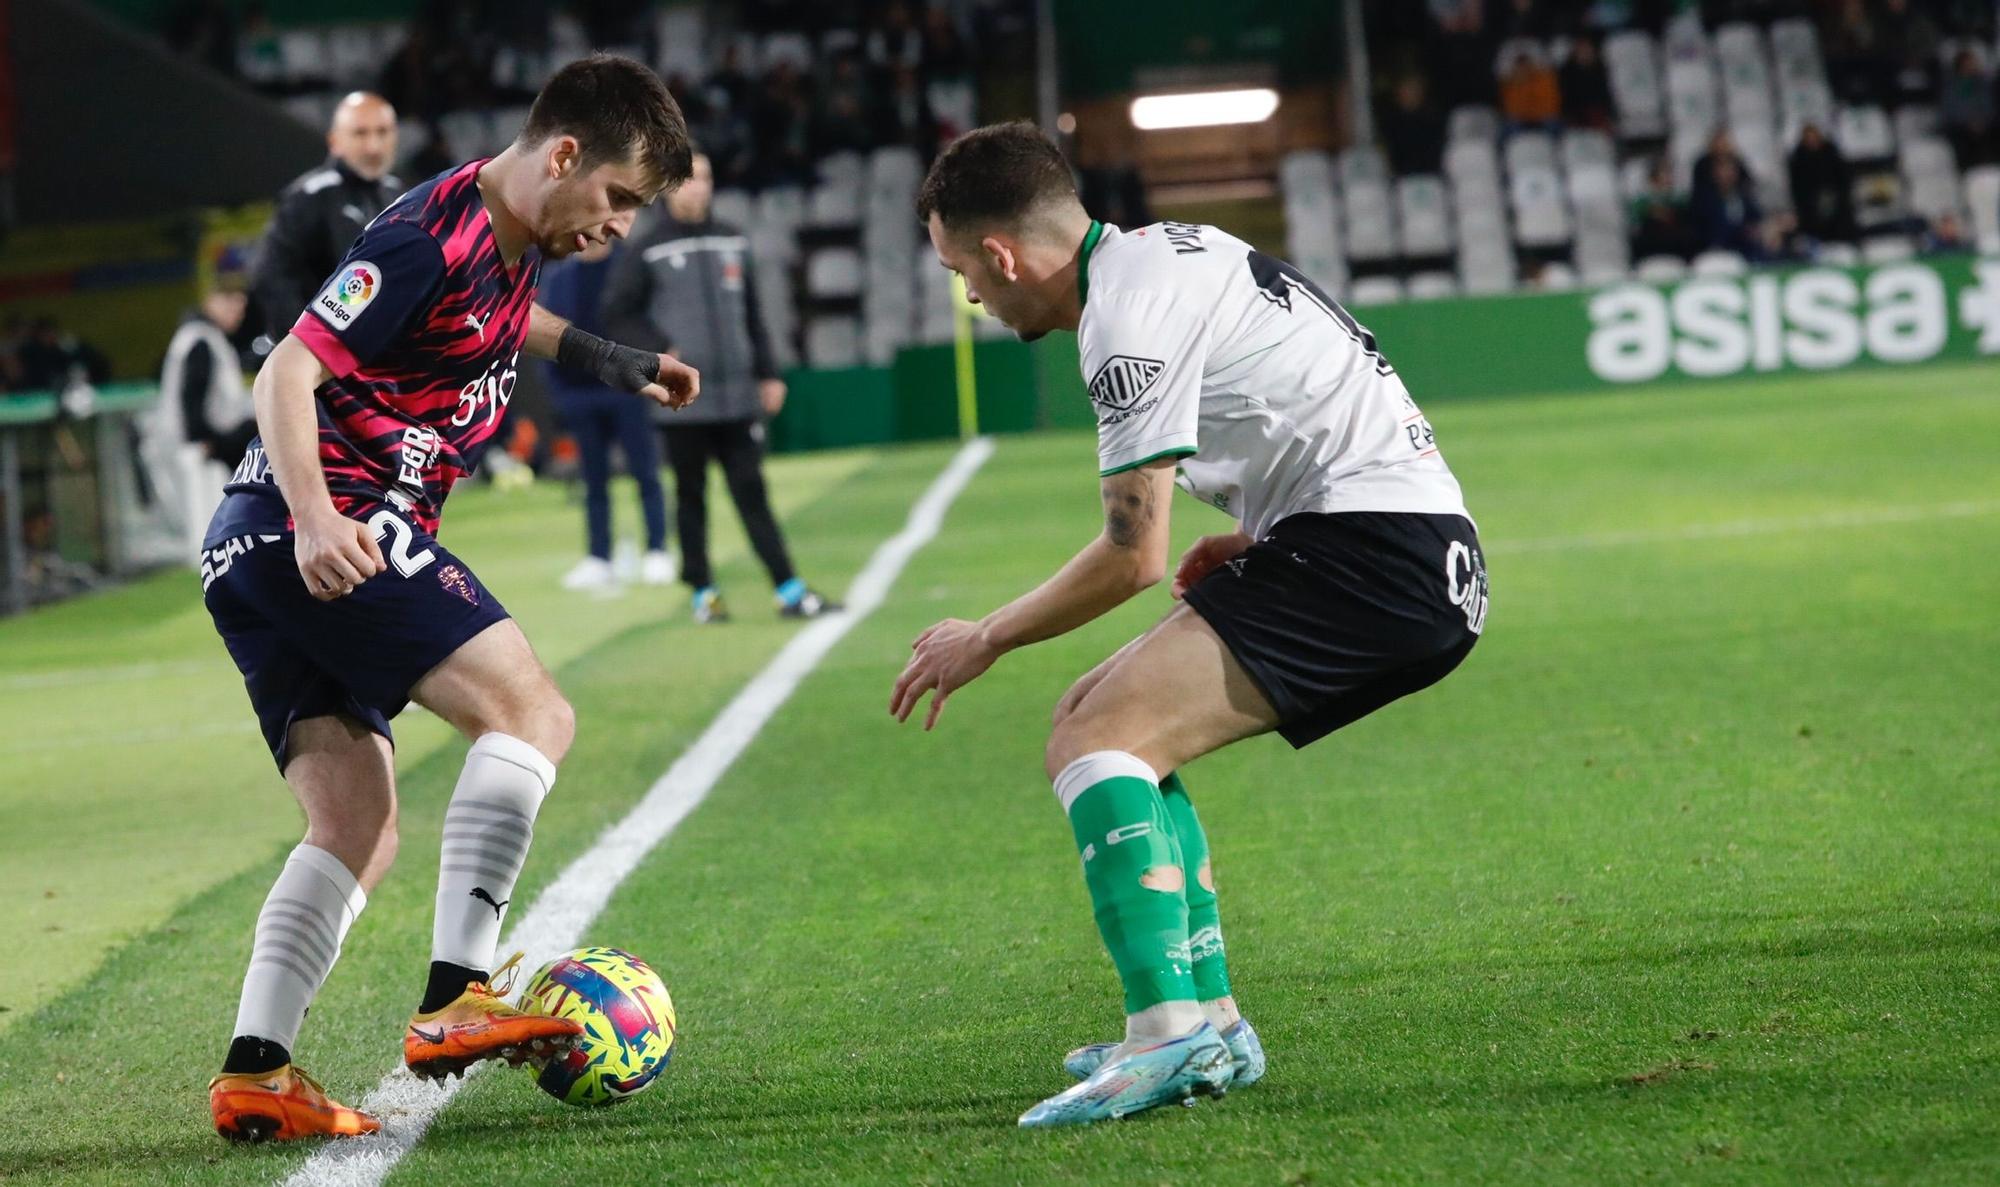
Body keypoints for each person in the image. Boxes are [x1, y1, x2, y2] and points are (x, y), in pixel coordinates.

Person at [890, 123, 1486, 1128]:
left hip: (1378, 558)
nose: (972, 299)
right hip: (1384, 544)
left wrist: (982, 634)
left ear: (1000, 254)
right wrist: (1259, 537)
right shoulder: (1168, 249)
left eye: (963, 273)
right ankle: (1208, 1021)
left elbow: (1131, 554)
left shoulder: (1121, 317)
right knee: (1098, 716)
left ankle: (1166, 1032)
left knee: (1094, 735)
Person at [201, 55, 698, 1143]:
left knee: (354, 820)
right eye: (615, 197)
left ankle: (257, 1069)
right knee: (531, 712)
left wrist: (615, 358)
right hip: (324, 521)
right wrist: (323, 515)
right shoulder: (427, 232)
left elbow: (505, 322)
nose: (616, 226)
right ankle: (454, 993)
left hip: (252, 547)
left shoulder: (506, 238)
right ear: (563, 154)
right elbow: (286, 370)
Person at [602, 150, 838, 623]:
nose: (699, 188)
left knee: (753, 492)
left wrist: (768, 372)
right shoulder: (647, 248)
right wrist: (660, 349)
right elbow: (616, 313)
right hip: (682, 401)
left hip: (737, 396)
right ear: (668, 188)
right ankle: (703, 594)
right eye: (689, 180)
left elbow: (753, 315)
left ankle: (788, 589)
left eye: (706, 178)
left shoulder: (733, 241)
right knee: (690, 497)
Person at [539, 238, 674, 590]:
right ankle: (599, 558)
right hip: (580, 394)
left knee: (645, 471)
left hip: (627, 391)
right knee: (593, 481)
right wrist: (561, 392)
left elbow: (647, 318)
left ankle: (658, 551)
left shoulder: (628, 266)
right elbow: (546, 333)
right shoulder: (558, 275)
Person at [253, 92, 404, 343]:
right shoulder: (309, 197)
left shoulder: (399, 194)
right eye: (360, 133)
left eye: (382, 132)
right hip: (332, 361)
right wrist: (306, 347)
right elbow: (272, 274)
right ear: (335, 141)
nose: (373, 146)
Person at [144, 250, 259, 554]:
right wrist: (204, 439)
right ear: (212, 300)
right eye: (232, 302)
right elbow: (191, 396)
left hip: (201, 448)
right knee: (207, 539)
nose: (239, 310)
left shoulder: (202, 336)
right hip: (197, 449)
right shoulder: (200, 339)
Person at [1788, 123, 1858, 247]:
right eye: (1808, 137)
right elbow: (1797, 189)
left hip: (1835, 200)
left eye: (1813, 136)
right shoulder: (1798, 158)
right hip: (1811, 206)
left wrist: (1833, 196)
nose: (1811, 140)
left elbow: (1843, 179)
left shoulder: (1830, 152)